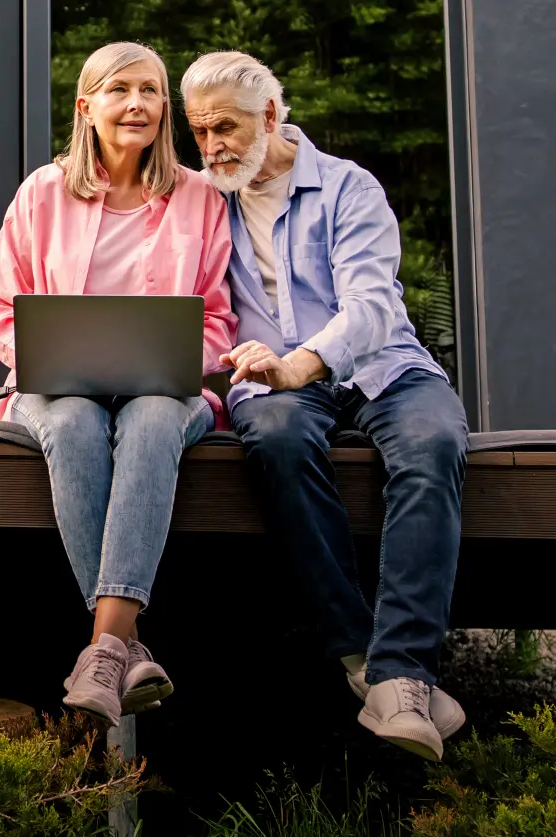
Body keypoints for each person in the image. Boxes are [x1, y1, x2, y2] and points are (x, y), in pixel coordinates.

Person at [180, 51, 468, 761]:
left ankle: (402, 667)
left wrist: (298, 362)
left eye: (226, 128)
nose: (212, 146)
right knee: (274, 439)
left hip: (378, 363)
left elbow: (370, 306)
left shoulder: (347, 187)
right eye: (198, 132)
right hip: (271, 385)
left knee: (432, 442)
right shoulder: (196, 200)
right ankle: (371, 664)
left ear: (271, 116)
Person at [0, 42, 237, 728]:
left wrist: (184, 354)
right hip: (55, 391)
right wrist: (37, 358)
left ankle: (99, 650)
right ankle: (124, 647)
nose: (137, 104)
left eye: (150, 91)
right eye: (120, 90)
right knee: (71, 421)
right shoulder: (42, 191)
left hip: (165, 392)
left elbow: (218, 317)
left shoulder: (198, 196)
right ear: (86, 107)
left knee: (152, 415)